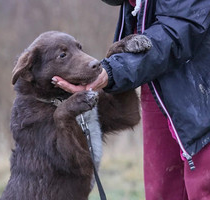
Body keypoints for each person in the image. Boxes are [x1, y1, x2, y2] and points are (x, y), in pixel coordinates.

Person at [51, 0, 210, 199]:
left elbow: (180, 26)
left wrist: (112, 71)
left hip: (201, 88)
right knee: (162, 192)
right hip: (156, 78)